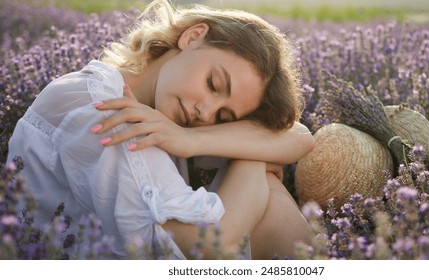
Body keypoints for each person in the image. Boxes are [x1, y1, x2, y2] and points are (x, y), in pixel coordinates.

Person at [7, 0, 315, 259]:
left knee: (265, 188)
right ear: (193, 36)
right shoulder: (101, 106)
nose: (204, 111)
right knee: (261, 180)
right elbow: (207, 248)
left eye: (224, 116)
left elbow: (299, 136)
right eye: (213, 83)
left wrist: (191, 139)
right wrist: (255, 155)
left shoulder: (170, 123)